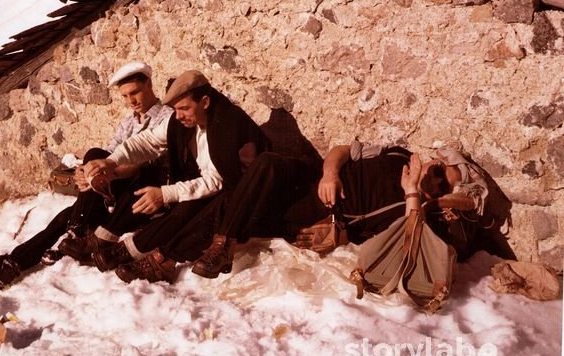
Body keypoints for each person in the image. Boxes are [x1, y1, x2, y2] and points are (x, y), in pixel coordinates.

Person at [0, 61, 171, 289]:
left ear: (149, 84)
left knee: (72, 207)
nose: (131, 101)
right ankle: (11, 265)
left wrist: (106, 171)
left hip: (142, 193)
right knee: (87, 169)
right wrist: (85, 171)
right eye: (125, 96)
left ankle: (75, 229)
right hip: (116, 190)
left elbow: (149, 164)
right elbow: (108, 153)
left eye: (135, 93)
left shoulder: (166, 117)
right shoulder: (127, 122)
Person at [191, 140, 514, 278]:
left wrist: (413, 191)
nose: (436, 179)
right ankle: (223, 244)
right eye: (440, 170)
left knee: (231, 202)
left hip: (323, 212)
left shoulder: (413, 208)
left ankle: (181, 251)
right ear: (435, 159)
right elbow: (343, 150)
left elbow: (393, 246)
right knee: (268, 162)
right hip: (314, 179)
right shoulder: (399, 154)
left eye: (444, 185)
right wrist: (330, 174)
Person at [72, 69, 269, 283]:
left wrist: (166, 194)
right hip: (211, 188)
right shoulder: (185, 119)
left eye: (184, 108)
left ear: (204, 102)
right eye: (176, 109)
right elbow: (148, 141)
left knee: (191, 205)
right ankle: (125, 248)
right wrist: (112, 160)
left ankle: (160, 258)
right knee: (178, 199)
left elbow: (216, 180)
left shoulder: (226, 124)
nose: (178, 116)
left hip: (242, 202)